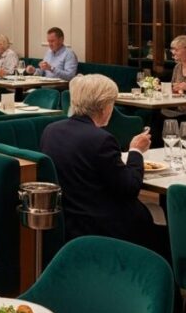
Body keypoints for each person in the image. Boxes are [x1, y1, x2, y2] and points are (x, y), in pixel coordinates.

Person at [40, 74, 165, 255]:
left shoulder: (51, 130)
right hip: (103, 224)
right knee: (158, 220)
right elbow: (130, 188)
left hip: (68, 219)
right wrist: (136, 152)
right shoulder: (101, 139)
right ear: (105, 106)